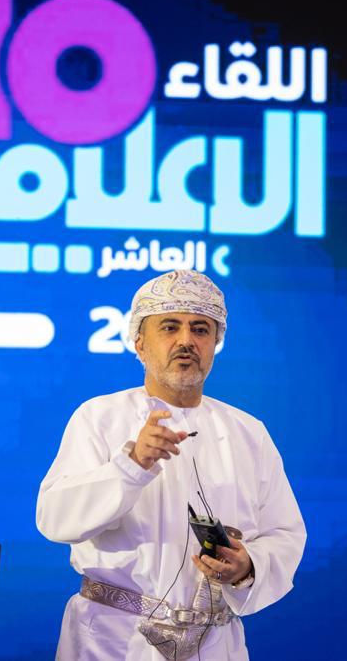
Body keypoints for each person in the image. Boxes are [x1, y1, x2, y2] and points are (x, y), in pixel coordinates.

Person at [36, 270, 306, 660]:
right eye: (169, 327)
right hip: (111, 641)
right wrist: (131, 465)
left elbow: (285, 534)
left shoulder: (249, 432)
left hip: (215, 644)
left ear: (216, 343)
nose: (186, 341)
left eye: (200, 329)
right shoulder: (99, 417)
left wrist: (247, 566)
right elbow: (54, 519)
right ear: (140, 342)